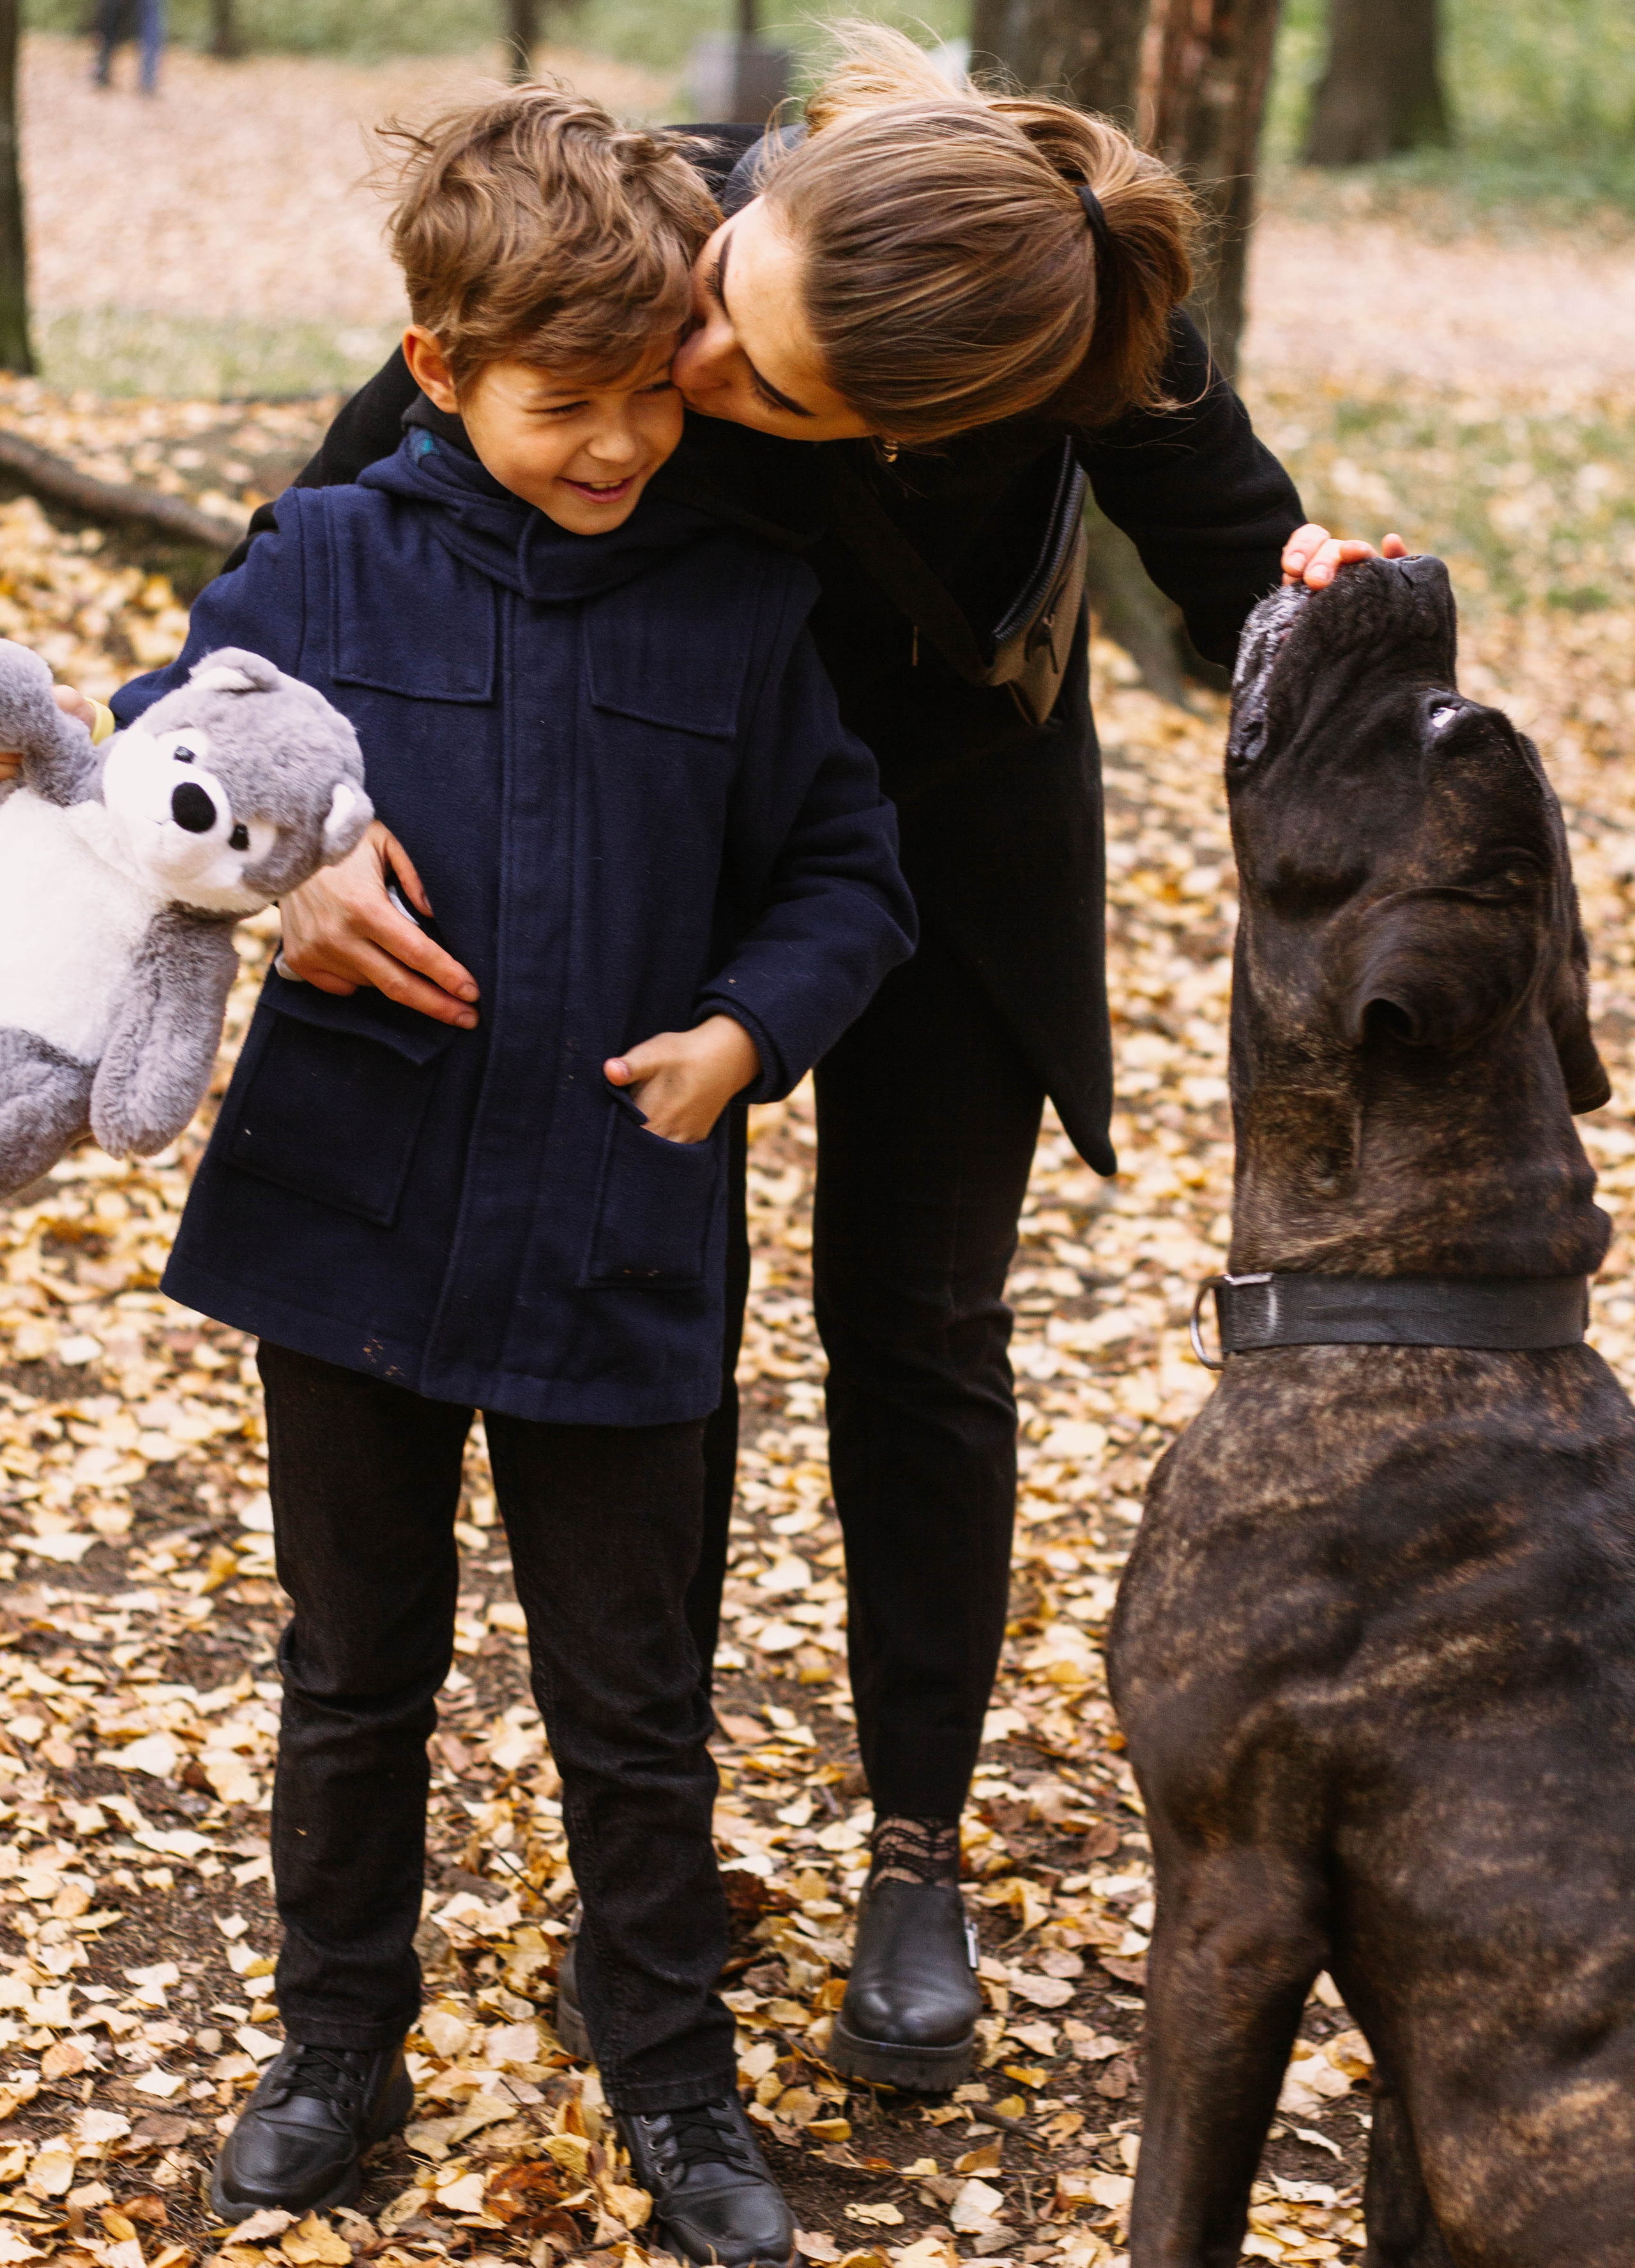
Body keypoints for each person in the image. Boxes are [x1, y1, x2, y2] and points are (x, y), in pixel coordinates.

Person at [27, 26, 1401, 2099]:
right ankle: (645, 1830)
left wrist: (1328, 618)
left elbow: (1248, 579)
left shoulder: (1072, 326)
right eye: (723, 309)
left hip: (931, 828)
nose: (699, 371)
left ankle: (914, 1845)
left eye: (767, 393)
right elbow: (288, 585)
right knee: (674, 1316)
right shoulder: (664, 230)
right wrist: (285, 867)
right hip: (633, 816)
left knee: (919, 1331)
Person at [99, 86, 916, 2257]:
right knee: (352, 1668)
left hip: (620, 1242)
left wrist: (752, 1030)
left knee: (634, 1695)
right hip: (348, 1219)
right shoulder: (323, 565)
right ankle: (333, 2039)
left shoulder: (744, 605)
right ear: (443, 373)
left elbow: (850, 871)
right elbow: (165, 750)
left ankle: (672, 2071)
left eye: (653, 398)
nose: (625, 445)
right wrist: (296, 879)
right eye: (568, 406)